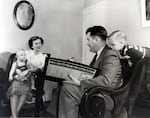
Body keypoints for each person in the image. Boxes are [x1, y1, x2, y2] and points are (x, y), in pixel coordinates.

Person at [58, 26, 123, 118]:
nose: (87, 43)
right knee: (64, 84)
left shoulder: (110, 54)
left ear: (96, 39)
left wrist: (80, 82)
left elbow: (106, 80)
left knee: (68, 89)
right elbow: (94, 74)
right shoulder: (101, 54)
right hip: (97, 90)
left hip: (106, 96)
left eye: (88, 40)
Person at [25, 36, 47, 117]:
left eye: (40, 43)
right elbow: (24, 62)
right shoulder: (27, 53)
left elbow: (40, 68)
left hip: (37, 75)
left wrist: (33, 70)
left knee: (38, 81)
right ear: (32, 46)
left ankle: (37, 110)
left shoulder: (43, 57)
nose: (38, 45)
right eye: (36, 43)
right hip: (27, 73)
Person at [7, 49, 32, 118]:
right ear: (17, 57)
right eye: (21, 55)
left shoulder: (27, 63)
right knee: (14, 90)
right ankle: (14, 116)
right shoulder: (15, 63)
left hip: (25, 82)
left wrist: (27, 73)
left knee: (24, 93)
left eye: (24, 55)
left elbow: (30, 71)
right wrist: (10, 76)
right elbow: (11, 71)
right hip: (16, 82)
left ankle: (14, 115)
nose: (23, 57)